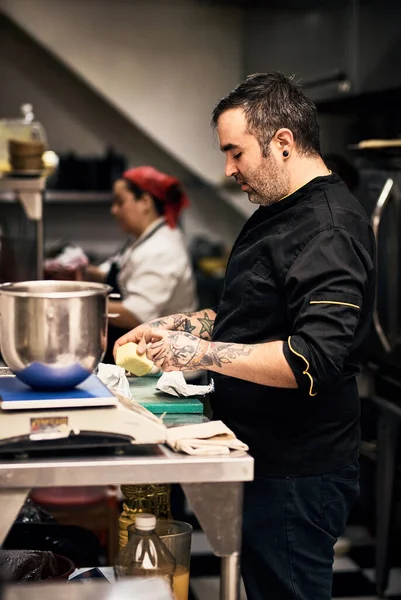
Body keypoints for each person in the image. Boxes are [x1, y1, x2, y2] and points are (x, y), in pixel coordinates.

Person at [114, 73, 376, 600]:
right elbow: (255, 314)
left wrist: (199, 352)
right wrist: (175, 326)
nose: (228, 169)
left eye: (235, 153)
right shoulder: (281, 210)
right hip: (260, 453)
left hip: (297, 473)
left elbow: (312, 359)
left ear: (282, 142)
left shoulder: (328, 228)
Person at [85, 165, 197, 363]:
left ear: (145, 201)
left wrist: (82, 305)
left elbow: (137, 313)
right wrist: (83, 271)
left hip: (167, 369)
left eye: (120, 202)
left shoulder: (162, 248)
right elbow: (118, 271)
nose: (114, 210)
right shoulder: (140, 239)